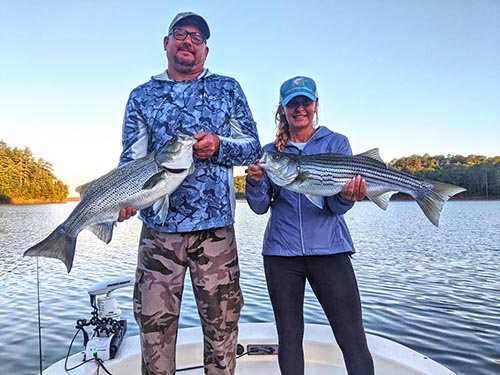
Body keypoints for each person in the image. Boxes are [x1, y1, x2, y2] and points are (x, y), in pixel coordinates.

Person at [117, 11, 261, 375]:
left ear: (206, 51)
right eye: (181, 33)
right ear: (166, 43)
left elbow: (252, 146)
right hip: (158, 234)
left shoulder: (227, 88)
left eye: (197, 38)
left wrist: (218, 146)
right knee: (154, 331)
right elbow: (130, 159)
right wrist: (122, 198)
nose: (188, 41)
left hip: (215, 233)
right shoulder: (142, 96)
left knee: (222, 330)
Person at [245, 76, 374, 375]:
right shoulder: (269, 152)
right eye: (293, 103)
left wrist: (347, 197)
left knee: (352, 337)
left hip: (331, 251)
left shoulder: (336, 142)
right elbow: (260, 206)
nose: (300, 109)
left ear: (315, 105)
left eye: (305, 102)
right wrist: (254, 183)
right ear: (283, 109)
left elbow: (336, 207)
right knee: (289, 339)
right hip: (281, 255)